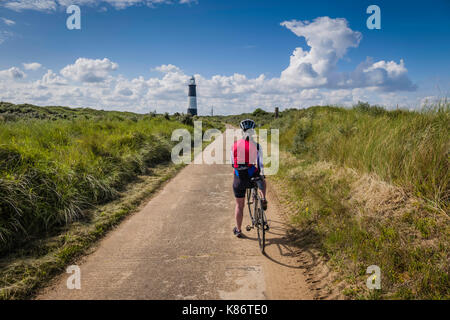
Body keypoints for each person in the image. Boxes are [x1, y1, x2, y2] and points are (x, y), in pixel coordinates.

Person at [230, 119, 267, 238]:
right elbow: (260, 164)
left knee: (239, 206)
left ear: (241, 132)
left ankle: (239, 230)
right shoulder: (256, 146)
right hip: (252, 176)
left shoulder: (234, 146)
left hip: (239, 179)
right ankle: (263, 197)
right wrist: (261, 174)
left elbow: (232, 164)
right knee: (262, 179)